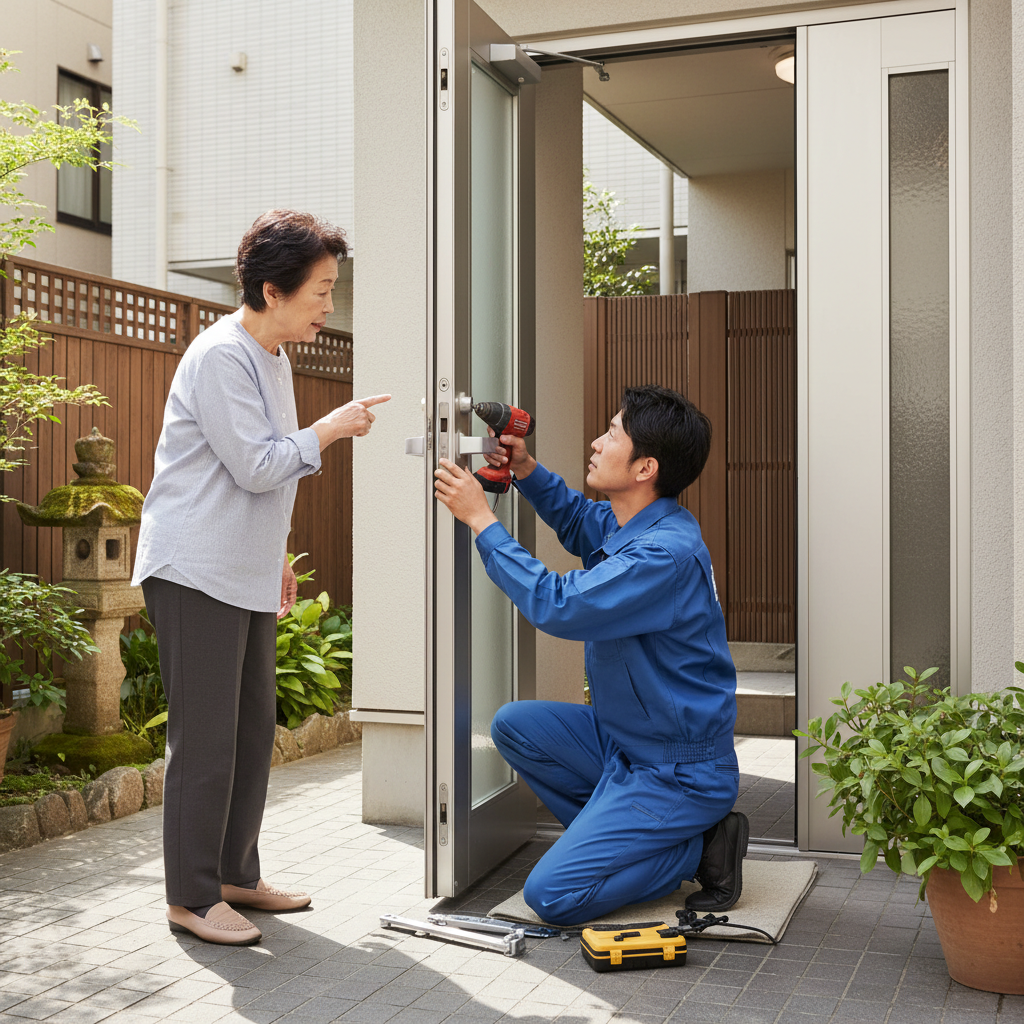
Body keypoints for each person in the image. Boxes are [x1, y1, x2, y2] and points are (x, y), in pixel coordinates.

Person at [133, 210, 391, 945]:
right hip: (194, 567)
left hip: (239, 566)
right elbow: (257, 464)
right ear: (273, 290)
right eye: (321, 290)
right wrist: (332, 428)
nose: (329, 304)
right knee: (205, 739)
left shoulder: (272, 357)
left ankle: (234, 875)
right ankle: (191, 896)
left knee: (249, 731)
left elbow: (269, 469)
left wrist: (275, 557)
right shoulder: (221, 355)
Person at [433, 384, 746, 927]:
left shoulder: (662, 554)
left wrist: (483, 521)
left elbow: (560, 606)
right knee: (515, 726)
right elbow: (579, 520)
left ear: (645, 467)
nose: (597, 443)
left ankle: (699, 850)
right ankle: (629, 836)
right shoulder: (639, 521)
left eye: (612, 434)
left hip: (678, 770)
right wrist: (525, 467)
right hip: (626, 743)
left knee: (553, 895)